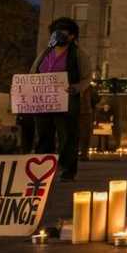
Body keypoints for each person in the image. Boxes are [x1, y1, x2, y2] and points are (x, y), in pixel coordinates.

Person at [25, 17, 93, 182]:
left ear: (71, 36)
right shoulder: (46, 51)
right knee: (43, 136)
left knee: (67, 136)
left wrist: (76, 88)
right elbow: (34, 71)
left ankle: (67, 170)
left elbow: (86, 77)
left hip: (66, 101)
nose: (58, 35)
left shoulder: (78, 54)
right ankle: (43, 170)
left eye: (62, 32)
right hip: (43, 101)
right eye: (56, 31)